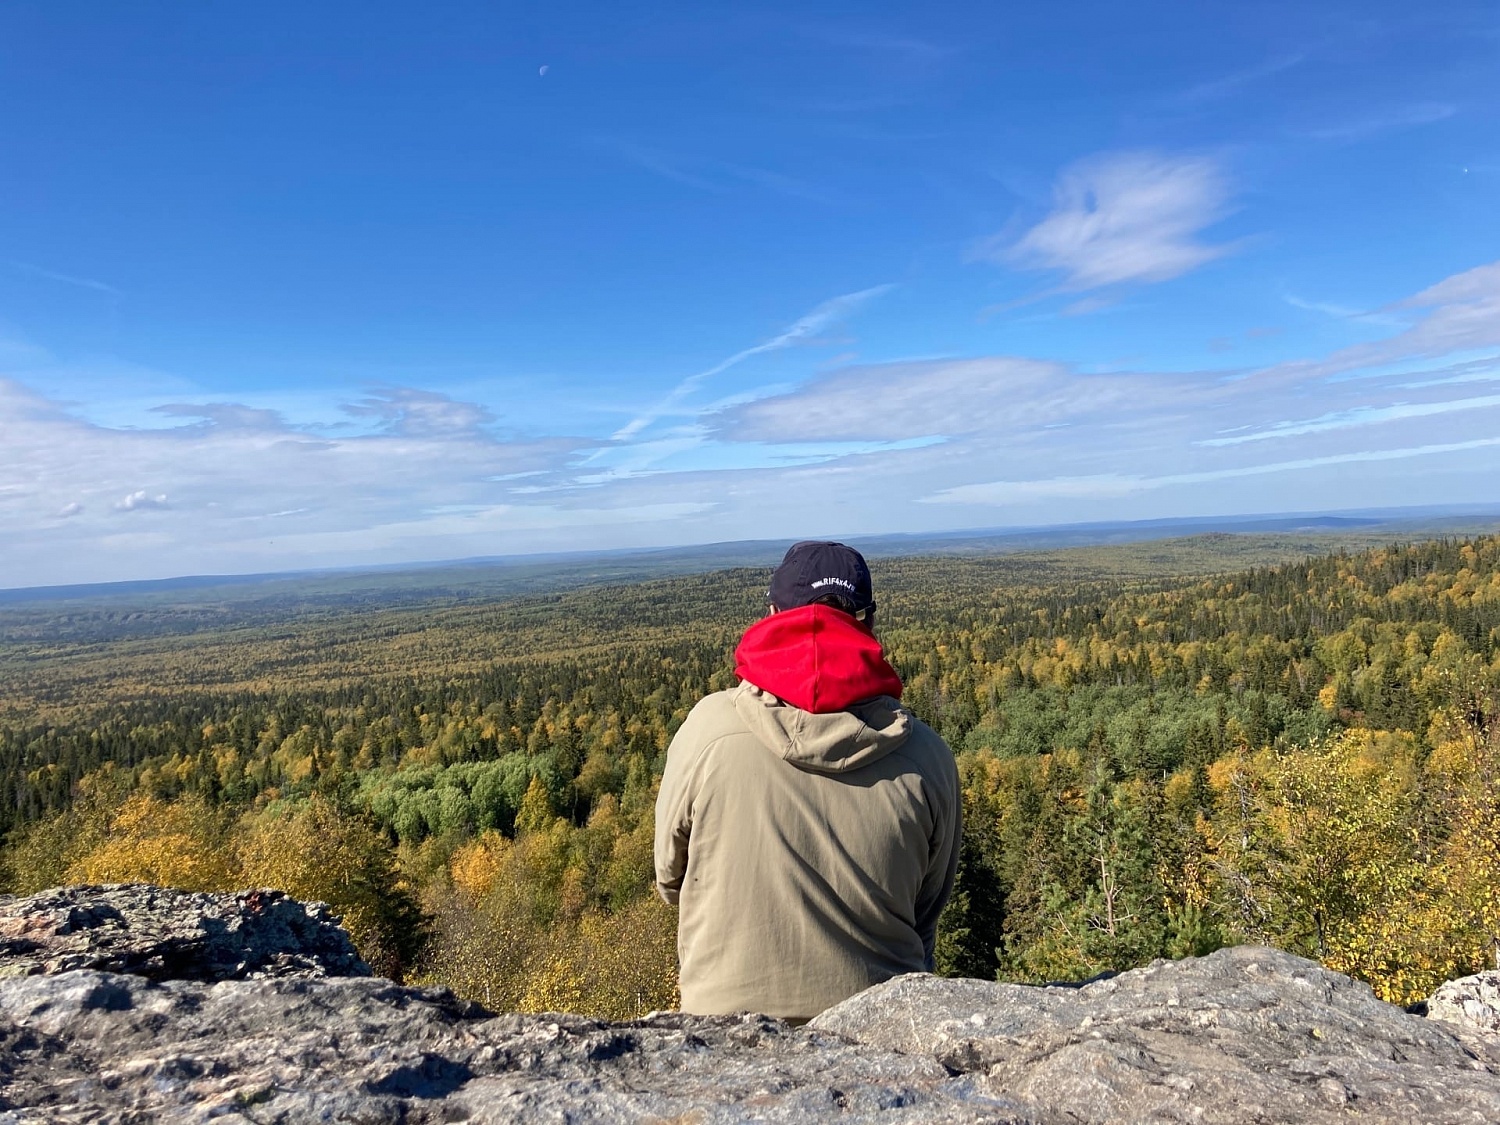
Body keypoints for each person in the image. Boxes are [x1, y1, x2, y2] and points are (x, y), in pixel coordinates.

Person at [654, 540, 962, 1022]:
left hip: (720, 1031)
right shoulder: (926, 757)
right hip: (883, 1036)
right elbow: (927, 907)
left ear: (772, 615)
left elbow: (670, 879)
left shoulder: (708, 732)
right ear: (869, 623)